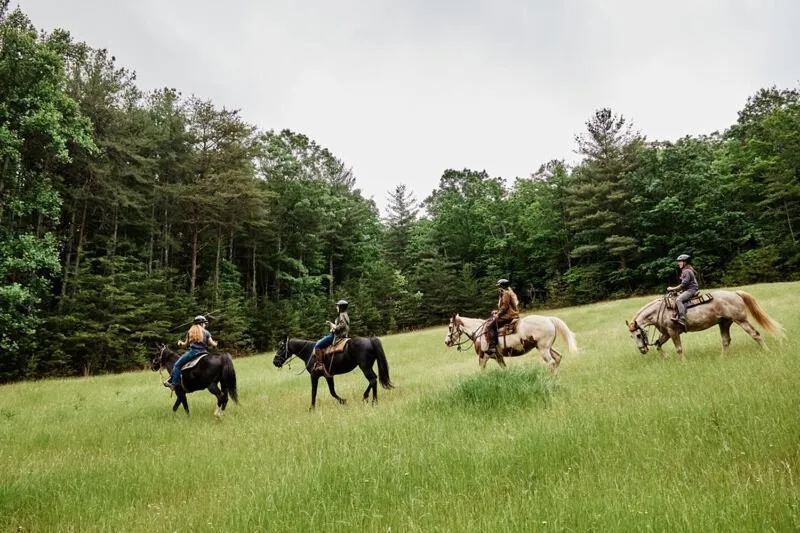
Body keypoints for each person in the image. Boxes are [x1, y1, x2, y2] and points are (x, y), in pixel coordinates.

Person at [164, 315, 218, 390]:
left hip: (193, 352)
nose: (205, 325)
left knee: (177, 365)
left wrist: (180, 343)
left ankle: (174, 384)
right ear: (201, 323)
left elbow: (185, 345)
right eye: (204, 323)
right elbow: (213, 344)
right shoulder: (207, 332)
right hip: (204, 353)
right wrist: (216, 343)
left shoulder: (190, 332)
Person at [311, 300, 350, 374]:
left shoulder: (342, 314)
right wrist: (331, 324)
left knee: (318, 346)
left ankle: (319, 365)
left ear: (341, 307)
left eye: (338, 306)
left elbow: (342, 325)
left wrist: (334, 327)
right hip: (342, 335)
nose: (336, 307)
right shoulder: (345, 314)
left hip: (336, 336)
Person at [486, 279, 520, 356]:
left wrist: (498, 314)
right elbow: (503, 307)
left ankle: (492, 347)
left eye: (499, 286)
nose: (498, 288)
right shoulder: (505, 293)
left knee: (490, 326)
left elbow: (505, 307)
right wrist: (497, 311)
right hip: (508, 314)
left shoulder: (505, 294)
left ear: (503, 286)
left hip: (509, 316)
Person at [667, 254, 699, 328]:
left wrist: (672, 288)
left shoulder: (687, 271)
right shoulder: (685, 270)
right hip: (688, 289)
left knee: (678, 300)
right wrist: (676, 291)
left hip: (691, 290)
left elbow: (683, 284)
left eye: (680, 261)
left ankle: (682, 318)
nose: (679, 263)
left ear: (685, 262)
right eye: (678, 262)